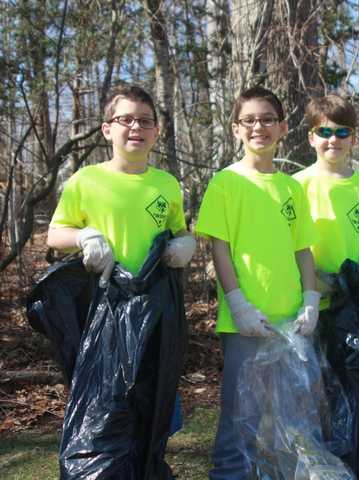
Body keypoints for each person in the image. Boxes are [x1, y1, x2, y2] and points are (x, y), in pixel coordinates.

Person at [195, 86, 319, 480]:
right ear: (236, 129)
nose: (258, 127)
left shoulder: (291, 187)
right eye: (249, 120)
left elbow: (302, 250)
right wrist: (239, 304)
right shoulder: (226, 183)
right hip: (247, 323)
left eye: (267, 119)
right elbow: (220, 248)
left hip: (291, 324)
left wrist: (311, 300)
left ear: (283, 127)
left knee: (293, 419)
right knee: (240, 418)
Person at [47, 83, 196, 278]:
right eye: (126, 119)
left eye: (145, 121)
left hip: (154, 298)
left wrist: (187, 243)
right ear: (107, 130)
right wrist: (83, 237)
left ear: (156, 132)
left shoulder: (168, 183)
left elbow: (177, 231)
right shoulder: (85, 180)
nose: (136, 126)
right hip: (101, 294)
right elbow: (54, 235)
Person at [293, 95, 359, 305]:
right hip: (311, 295)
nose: (334, 140)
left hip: (356, 295)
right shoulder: (297, 185)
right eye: (325, 132)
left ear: (353, 139)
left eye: (342, 132)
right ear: (311, 138)